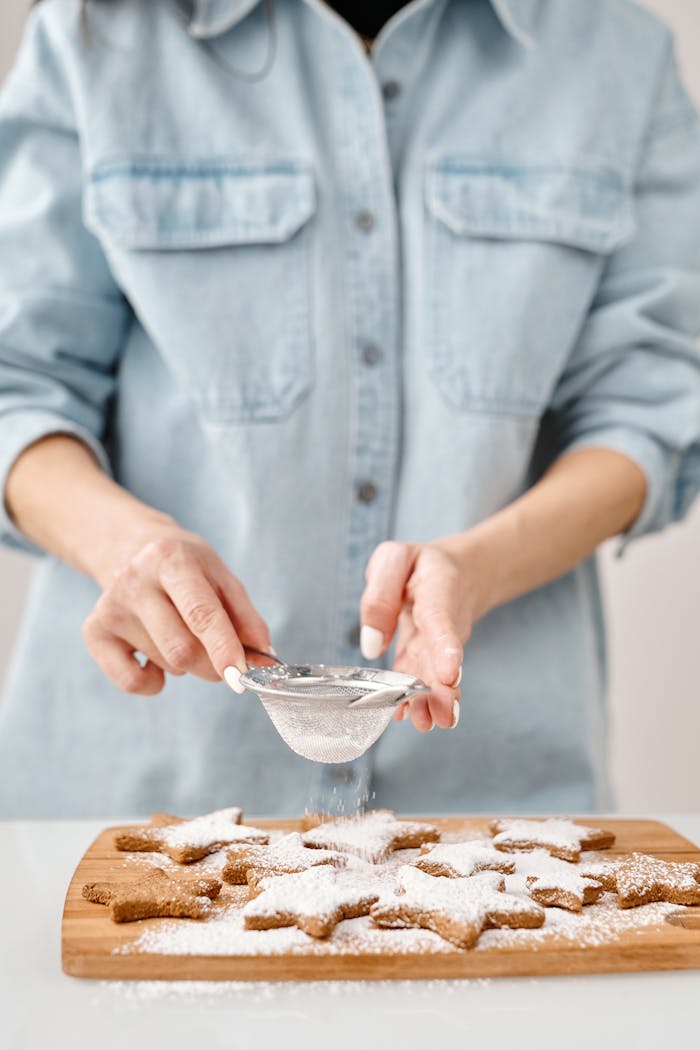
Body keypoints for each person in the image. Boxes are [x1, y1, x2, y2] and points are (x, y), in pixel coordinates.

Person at [0, 0, 698, 818]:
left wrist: (476, 569)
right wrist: (131, 546)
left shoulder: (615, 51)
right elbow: (20, 382)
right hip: (138, 790)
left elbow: (649, 410)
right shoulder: (97, 32)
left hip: (489, 800)